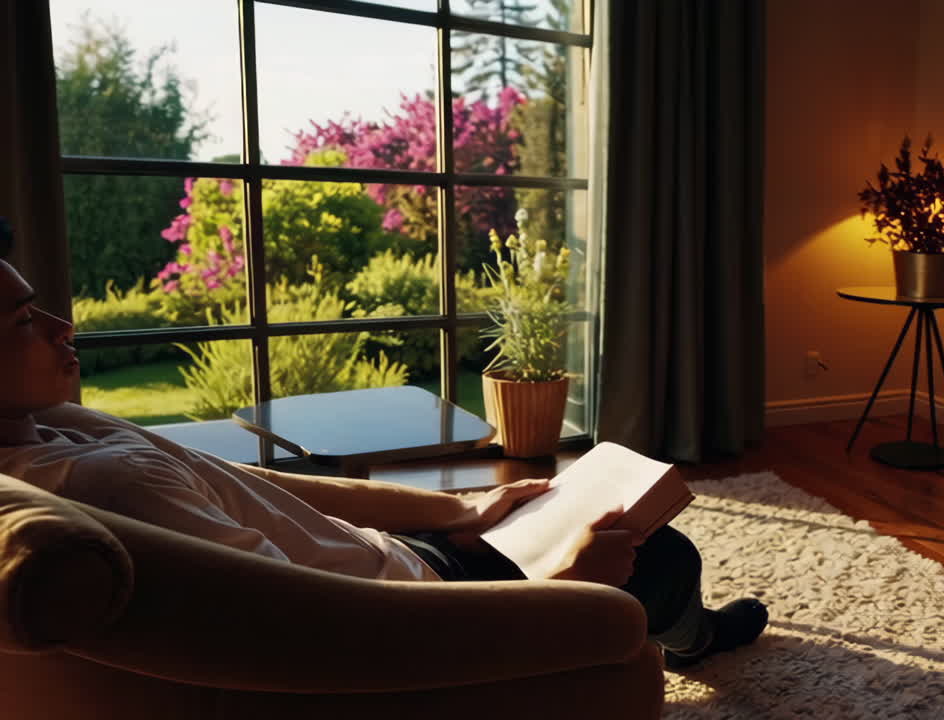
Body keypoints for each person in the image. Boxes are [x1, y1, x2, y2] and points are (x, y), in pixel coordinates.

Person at [0, 217, 766, 669]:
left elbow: (273, 490)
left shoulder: (69, 431)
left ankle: (663, 622)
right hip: (421, 608)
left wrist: (463, 510)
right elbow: (305, 629)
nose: (63, 328)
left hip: (399, 560)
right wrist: (567, 584)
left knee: (567, 517)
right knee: (663, 554)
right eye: (25, 322)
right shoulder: (110, 480)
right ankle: (692, 639)